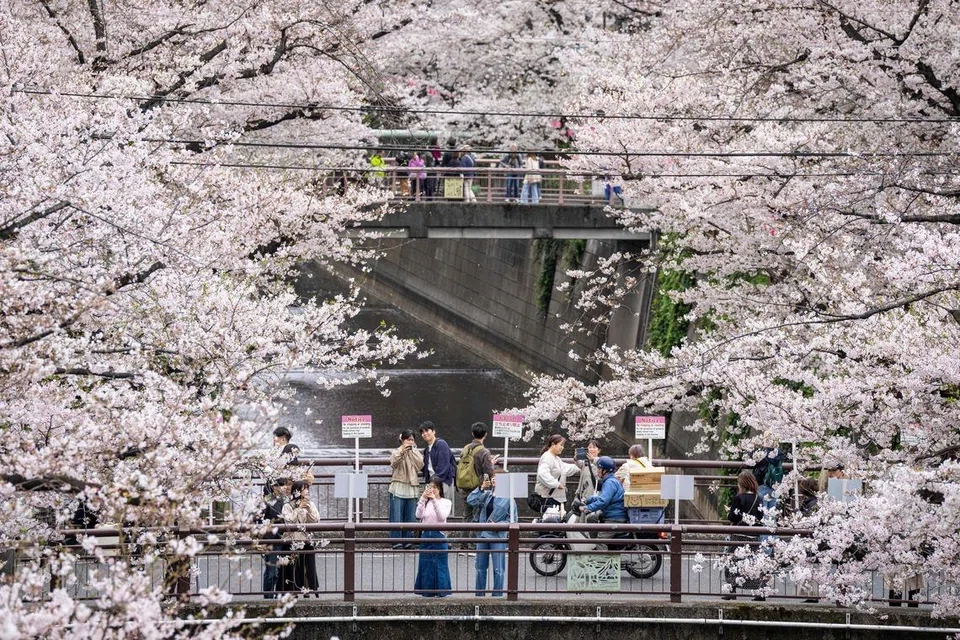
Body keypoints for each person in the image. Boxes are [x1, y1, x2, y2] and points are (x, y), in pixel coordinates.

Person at [466, 472, 517, 597]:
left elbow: (513, 520)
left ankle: (497, 595)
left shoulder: (509, 499)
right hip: (483, 534)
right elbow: (471, 500)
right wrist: (481, 488)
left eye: (498, 478)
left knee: (498, 569)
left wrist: (499, 524)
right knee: (480, 568)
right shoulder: (487, 495)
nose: (494, 480)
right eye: (494, 477)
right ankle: (479, 595)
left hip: (497, 535)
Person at [722, 471, 766, 600]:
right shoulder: (759, 498)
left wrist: (729, 512)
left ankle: (732, 589)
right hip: (754, 535)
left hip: (739, 534)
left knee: (732, 562)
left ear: (741, 484)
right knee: (753, 563)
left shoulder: (739, 498)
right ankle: (760, 590)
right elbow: (761, 516)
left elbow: (733, 517)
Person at [455, 422, 499, 546]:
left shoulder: (466, 448)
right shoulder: (484, 451)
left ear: (472, 433)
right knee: (478, 515)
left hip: (464, 486)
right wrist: (491, 464)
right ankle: (474, 543)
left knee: (467, 515)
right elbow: (488, 471)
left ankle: (463, 543)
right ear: (485, 434)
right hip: (478, 487)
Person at [279, 480, 321, 594]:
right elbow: (289, 521)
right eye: (304, 489)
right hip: (292, 541)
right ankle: (293, 591)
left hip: (305, 540)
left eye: (307, 488)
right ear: (297, 491)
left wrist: (309, 510)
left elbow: (316, 520)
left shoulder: (310, 504)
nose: (307, 491)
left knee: (309, 566)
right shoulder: (287, 506)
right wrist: (298, 509)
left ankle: (308, 589)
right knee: (293, 568)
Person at [414, 475, 453, 597]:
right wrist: (422, 499)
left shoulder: (446, 502)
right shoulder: (426, 502)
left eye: (435, 488)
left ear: (440, 489)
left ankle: (441, 591)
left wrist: (434, 500)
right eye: (431, 487)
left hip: (439, 535)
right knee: (425, 564)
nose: (433, 490)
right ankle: (426, 592)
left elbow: (442, 517)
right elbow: (418, 515)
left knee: (440, 564)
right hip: (426, 535)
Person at [389, 430, 424, 549]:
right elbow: (393, 463)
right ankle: (396, 541)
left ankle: (408, 540)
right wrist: (403, 452)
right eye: (408, 439)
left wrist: (412, 451)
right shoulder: (396, 451)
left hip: (412, 486)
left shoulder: (415, 452)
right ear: (402, 440)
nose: (410, 442)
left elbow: (420, 465)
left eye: (412, 440)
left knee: (410, 516)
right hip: (398, 485)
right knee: (396, 516)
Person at [534, 434, 580, 509]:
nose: (562, 447)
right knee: (551, 519)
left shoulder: (555, 458)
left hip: (554, 497)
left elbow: (565, 468)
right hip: (548, 498)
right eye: (561, 445)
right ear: (553, 444)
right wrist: (556, 484)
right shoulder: (547, 457)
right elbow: (542, 474)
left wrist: (582, 467)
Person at [420, 421, 456, 512]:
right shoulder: (427, 449)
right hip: (433, 483)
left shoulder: (441, 444)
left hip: (442, 482)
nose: (425, 434)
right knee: (432, 509)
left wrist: (433, 484)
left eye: (427, 431)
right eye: (422, 432)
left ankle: (443, 526)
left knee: (443, 509)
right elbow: (425, 468)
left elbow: (443, 467)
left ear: (434, 431)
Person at [260, 477, 287, 598]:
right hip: (270, 540)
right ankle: (268, 597)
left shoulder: (283, 500)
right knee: (272, 571)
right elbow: (256, 518)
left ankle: (273, 595)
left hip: (282, 538)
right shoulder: (267, 500)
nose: (285, 487)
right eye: (281, 485)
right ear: (274, 487)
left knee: (278, 571)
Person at [580, 456, 627, 523]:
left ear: (605, 471)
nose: (597, 471)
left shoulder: (609, 483)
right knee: (591, 519)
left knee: (601, 532)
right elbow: (603, 497)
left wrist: (587, 508)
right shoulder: (611, 480)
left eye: (599, 469)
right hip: (612, 514)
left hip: (614, 518)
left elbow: (603, 501)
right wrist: (587, 500)